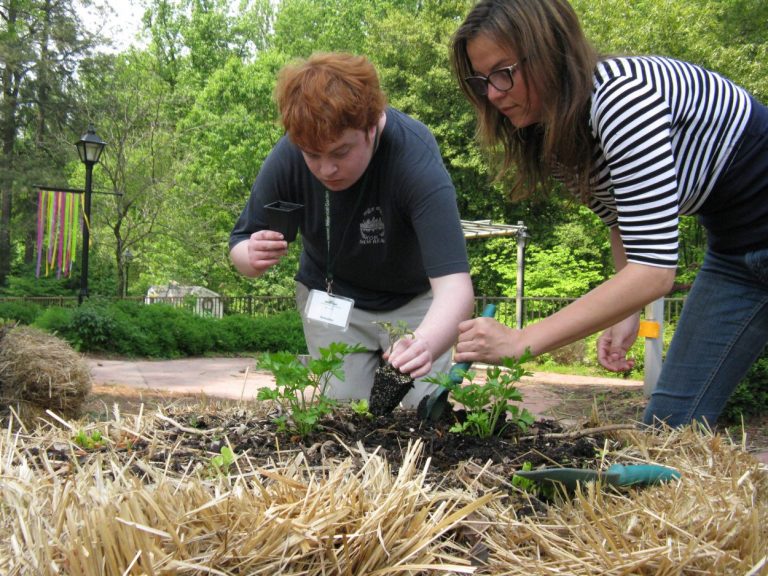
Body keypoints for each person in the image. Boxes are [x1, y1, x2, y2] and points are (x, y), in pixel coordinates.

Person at [450, 0, 768, 427]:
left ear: (550, 50)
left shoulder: (621, 99)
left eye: (504, 72)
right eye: (482, 79)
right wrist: (625, 310)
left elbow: (655, 270)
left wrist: (523, 341)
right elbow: (623, 221)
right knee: (670, 426)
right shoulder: (557, 133)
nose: (492, 93)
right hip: (735, 251)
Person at [230, 52, 474, 408]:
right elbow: (239, 243)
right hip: (332, 300)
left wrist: (425, 342)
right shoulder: (289, 154)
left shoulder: (414, 157)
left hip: (414, 305)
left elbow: (455, 288)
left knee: (419, 410)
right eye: (312, 155)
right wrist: (249, 257)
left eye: (340, 152)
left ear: (372, 125)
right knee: (346, 410)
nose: (326, 169)